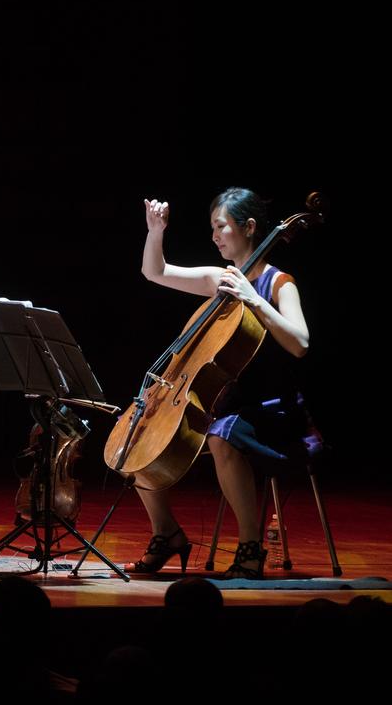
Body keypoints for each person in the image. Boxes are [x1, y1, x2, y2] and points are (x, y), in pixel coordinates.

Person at [130, 187, 312, 578]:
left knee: (222, 435)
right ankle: (166, 533)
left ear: (248, 228)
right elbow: (155, 271)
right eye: (212, 227)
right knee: (140, 434)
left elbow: (300, 343)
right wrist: (155, 231)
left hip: (272, 411)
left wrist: (255, 300)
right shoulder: (221, 279)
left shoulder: (280, 284)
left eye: (221, 226)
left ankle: (250, 546)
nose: (214, 235)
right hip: (226, 403)